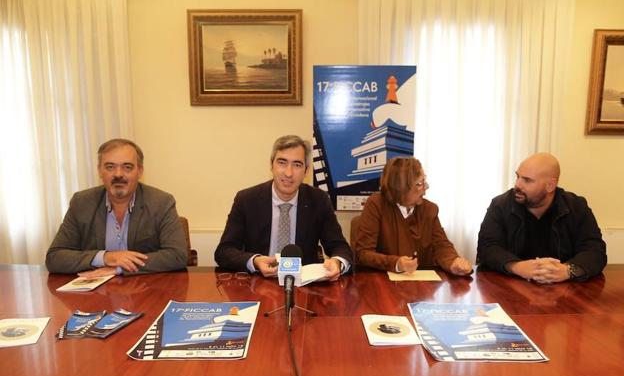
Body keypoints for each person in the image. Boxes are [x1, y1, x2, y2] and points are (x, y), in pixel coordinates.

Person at [215, 135, 352, 280]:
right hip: (258, 283)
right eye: (282, 162)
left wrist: (337, 262)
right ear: (271, 165)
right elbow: (224, 251)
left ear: (306, 171)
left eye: (297, 165)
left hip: (303, 287)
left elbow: (340, 247)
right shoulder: (247, 200)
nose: (288, 173)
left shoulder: (318, 200)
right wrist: (254, 261)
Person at [46, 139, 187, 276]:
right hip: (96, 294)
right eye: (110, 167)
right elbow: (55, 257)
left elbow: (177, 256)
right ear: (100, 171)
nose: (118, 174)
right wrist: (106, 258)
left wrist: (120, 268)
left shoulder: (161, 202)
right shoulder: (82, 202)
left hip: (145, 289)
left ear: (140, 171)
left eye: (127, 167)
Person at [477, 153, 607, 283]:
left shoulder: (576, 207)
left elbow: (595, 251)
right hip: (511, 286)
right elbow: (487, 248)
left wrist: (567, 270)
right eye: (518, 176)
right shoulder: (500, 205)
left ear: (550, 186)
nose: (517, 185)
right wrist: (517, 267)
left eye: (527, 180)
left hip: (563, 289)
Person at [353, 157, 473, 275]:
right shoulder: (376, 204)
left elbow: (441, 245)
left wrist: (453, 262)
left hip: (421, 286)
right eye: (419, 184)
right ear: (401, 187)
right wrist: (396, 263)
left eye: (424, 181)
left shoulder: (430, 209)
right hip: (382, 284)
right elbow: (363, 253)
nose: (426, 188)